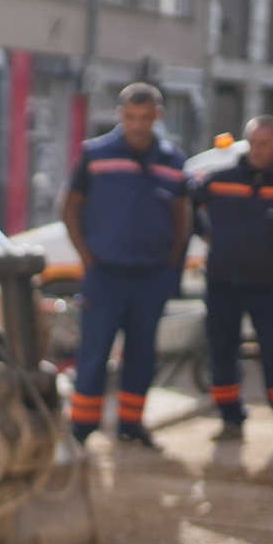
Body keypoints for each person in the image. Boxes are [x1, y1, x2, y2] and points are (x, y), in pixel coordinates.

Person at [61, 82, 193, 449]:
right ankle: (83, 427)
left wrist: (171, 264)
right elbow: (69, 205)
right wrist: (87, 257)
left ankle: (131, 424)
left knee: (142, 353)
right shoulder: (95, 154)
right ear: (121, 115)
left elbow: (182, 214)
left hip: (151, 275)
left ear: (157, 116)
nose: (137, 124)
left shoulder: (173, 160)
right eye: (131, 117)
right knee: (94, 352)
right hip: (105, 272)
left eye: (145, 117)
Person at [189, 115, 273, 450]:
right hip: (223, 282)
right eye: (253, 142)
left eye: (264, 143)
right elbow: (187, 204)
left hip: (270, 286)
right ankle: (230, 418)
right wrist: (206, 233)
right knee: (222, 354)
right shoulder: (221, 179)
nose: (258, 150)